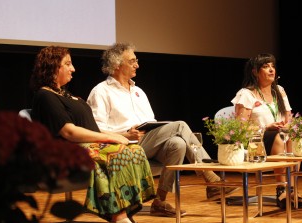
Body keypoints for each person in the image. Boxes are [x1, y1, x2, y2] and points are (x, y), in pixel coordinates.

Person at [86, 42, 239, 217]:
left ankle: (160, 201)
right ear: (117, 65)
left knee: (178, 144)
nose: (137, 65)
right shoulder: (101, 91)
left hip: (147, 141)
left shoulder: (138, 91)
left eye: (137, 60)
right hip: (124, 145)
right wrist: (125, 134)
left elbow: (151, 121)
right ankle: (210, 178)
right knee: (180, 125)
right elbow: (96, 129)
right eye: (132, 61)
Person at [29, 46, 156, 223]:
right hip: (67, 148)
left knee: (135, 150)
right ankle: (118, 215)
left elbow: (92, 127)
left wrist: (119, 136)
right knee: (117, 153)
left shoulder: (67, 95)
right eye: (67, 64)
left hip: (88, 142)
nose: (73, 68)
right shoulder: (45, 95)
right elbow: (69, 131)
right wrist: (110, 138)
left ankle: (125, 210)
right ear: (53, 67)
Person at [231, 53, 302, 209]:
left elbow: (289, 119)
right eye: (266, 66)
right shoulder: (246, 94)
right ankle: (282, 189)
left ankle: (291, 188)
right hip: (254, 142)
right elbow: (239, 128)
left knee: (293, 136)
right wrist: (266, 127)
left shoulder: (279, 90)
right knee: (279, 136)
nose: (271, 70)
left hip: (279, 136)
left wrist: (287, 126)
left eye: (272, 66)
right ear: (254, 72)